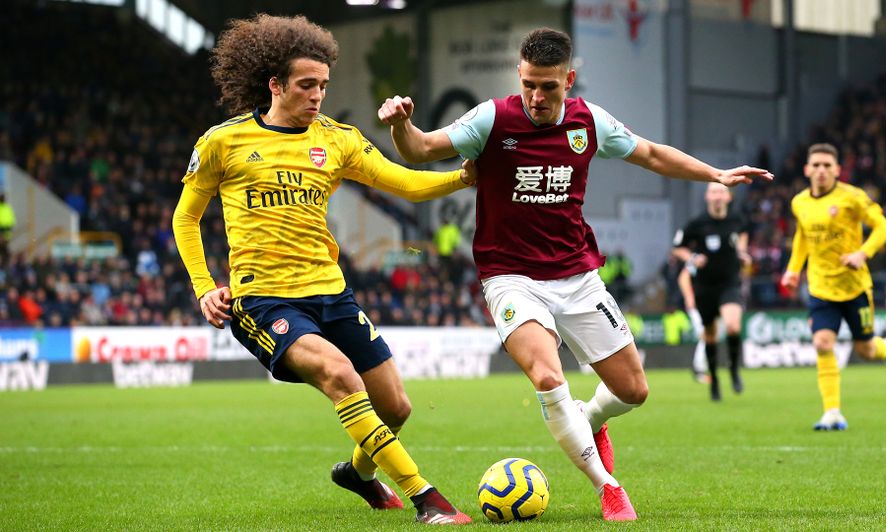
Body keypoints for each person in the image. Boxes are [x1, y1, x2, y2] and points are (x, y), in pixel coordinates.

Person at [377, 27, 772, 521]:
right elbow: (420, 149)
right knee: (547, 374)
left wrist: (714, 174)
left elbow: (649, 153)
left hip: (577, 275)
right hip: (510, 275)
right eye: (529, 85)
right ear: (518, 76)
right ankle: (607, 486)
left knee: (633, 390)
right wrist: (400, 125)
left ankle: (590, 418)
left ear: (570, 78)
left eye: (549, 86)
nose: (537, 97)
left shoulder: (590, 122)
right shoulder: (492, 118)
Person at [171, 14, 473, 525]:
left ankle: (358, 473)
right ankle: (427, 499)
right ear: (275, 85)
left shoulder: (337, 139)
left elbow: (406, 183)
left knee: (396, 408)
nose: (317, 96)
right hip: (263, 301)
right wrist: (203, 287)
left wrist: (464, 177)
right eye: (307, 85)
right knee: (340, 376)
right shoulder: (223, 142)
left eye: (324, 86)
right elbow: (186, 217)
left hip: (331, 294)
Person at [780, 143, 886, 431]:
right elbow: (803, 235)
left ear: (837, 170)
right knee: (822, 343)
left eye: (827, 166)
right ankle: (832, 412)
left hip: (855, 287)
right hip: (821, 287)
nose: (822, 170)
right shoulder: (799, 202)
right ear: (807, 169)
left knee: (866, 350)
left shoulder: (852, 197)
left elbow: (884, 227)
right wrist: (792, 270)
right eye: (817, 165)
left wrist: (862, 253)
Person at [672, 183, 751, 401]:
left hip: (730, 283)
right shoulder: (697, 224)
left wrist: (742, 253)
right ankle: (714, 379)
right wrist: (692, 258)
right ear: (707, 196)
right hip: (706, 287)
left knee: (733, 326)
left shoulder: (737, 220)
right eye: (713, 192)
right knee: (710, 335)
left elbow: (743, 236)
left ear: (728, 197)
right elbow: (678, 247)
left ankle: (734, 370)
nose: (717, 196)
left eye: (721, 192)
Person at [676, 267, 709, 384]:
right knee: (705, 335)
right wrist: (688, 296)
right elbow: (683, 277)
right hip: (697, 305)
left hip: (706, 304)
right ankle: (699, 370)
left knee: (708, 335)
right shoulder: (698, 258)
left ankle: (701, 369)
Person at [0, 192, 16, 266]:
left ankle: (5, 264)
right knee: (4, 248)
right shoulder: (7, 208)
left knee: (5, 248)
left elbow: (12, 220)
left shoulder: (8, 208)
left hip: (6, 230)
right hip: (4, 230)